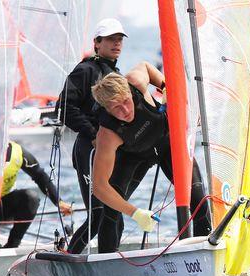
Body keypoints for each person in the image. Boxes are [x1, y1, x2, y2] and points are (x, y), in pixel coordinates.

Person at [90, 62, 212, 253]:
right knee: (111, 212)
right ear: (106, 108)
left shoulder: (136, 82)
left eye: (126, 101)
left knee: (199, 201)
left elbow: (147, 66)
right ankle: (106, 264)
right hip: (134, 157)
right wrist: (135, 213)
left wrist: (165, 87)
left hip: (167, 144)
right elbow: (99, 187)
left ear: (130, 92)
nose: (126, 111)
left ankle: (201, 253)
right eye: (116, 108)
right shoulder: (108, 135)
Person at [55, 18, 127, 254]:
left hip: (108, 150)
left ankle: (110, 262)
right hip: (89, 148)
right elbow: (64, 107)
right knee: (97, 214)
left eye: (119, 40)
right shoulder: (85, 70)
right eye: (110, 39)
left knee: (114, 213)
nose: (116, 44)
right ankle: (69, 258)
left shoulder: (116, 73)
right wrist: (93, 133)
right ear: (97, 43)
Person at [0, 141, 72, 248]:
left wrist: (58, 201)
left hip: (2, 207)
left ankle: (12, 245)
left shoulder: (17, 152)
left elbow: (40, 175)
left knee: (31, 198)